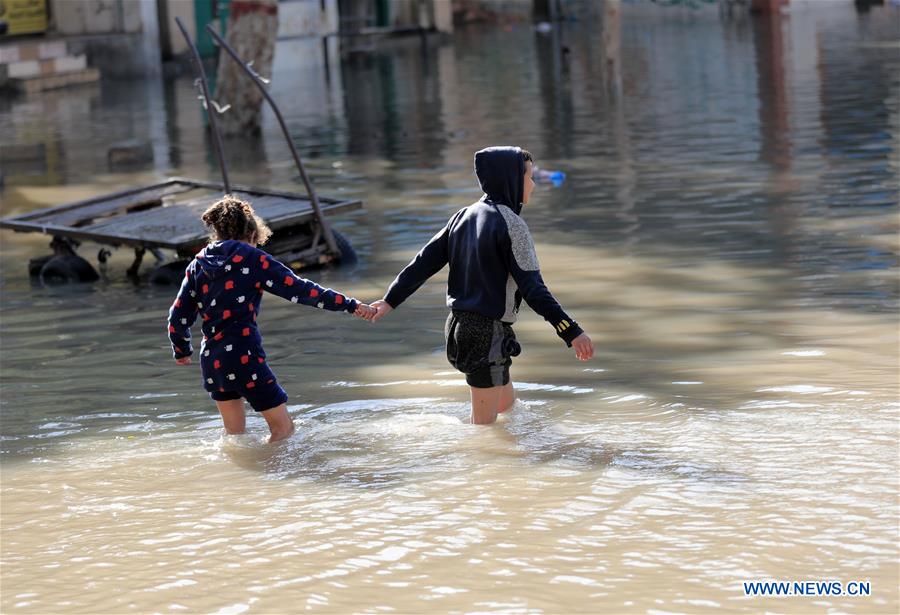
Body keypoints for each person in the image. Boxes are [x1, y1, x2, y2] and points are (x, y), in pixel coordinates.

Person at [370, 146, 594, 424]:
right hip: (486, 334)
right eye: (529, 177)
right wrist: (570, 330)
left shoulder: (462, 216)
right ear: (511, 180)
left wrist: (390, 300)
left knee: (510, 410)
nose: (533, 185)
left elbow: (422, 264)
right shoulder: (512, 225)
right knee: (483, 432)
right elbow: (534, 289)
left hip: (459, 328)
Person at [167, 195, 375, 442]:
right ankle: (274, 476)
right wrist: (351, 305)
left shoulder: (197, 265)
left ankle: (238, 478)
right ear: (253, 232)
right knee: (283, 430)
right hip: (245, 357)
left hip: (213, 361)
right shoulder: (253, 259)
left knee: (234, 437)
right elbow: (301, 290)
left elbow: (177, 316)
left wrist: (181, 350)